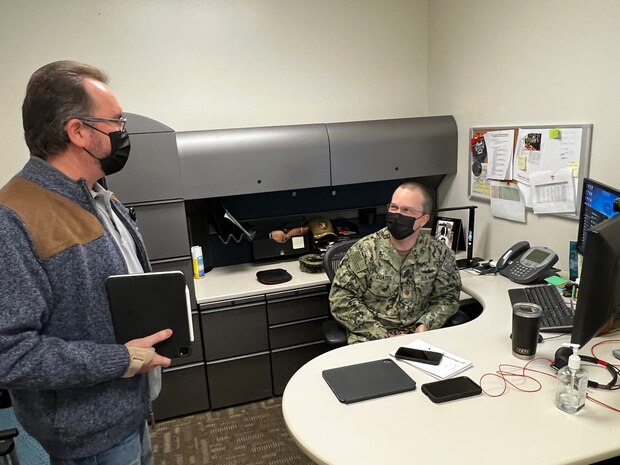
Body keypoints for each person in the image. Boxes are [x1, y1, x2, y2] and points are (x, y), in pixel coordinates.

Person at [0, 61, 172, 464]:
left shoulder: (97, 197)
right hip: (88, 436)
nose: (123, 132)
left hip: (128, 411)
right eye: (115, 121)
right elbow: (9, 353)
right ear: (78, 131)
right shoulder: (14, 219)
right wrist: (120, 359)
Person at [329, 181, 461, 344]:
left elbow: (447, 298)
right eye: (394, 207)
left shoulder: (440, 253)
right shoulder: (363, 251)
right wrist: (383, 336)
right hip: (371, 339)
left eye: (407, 210)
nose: (397, 215)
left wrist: (425, 325)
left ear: (423, 219)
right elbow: (342, 301)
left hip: (420, 337)